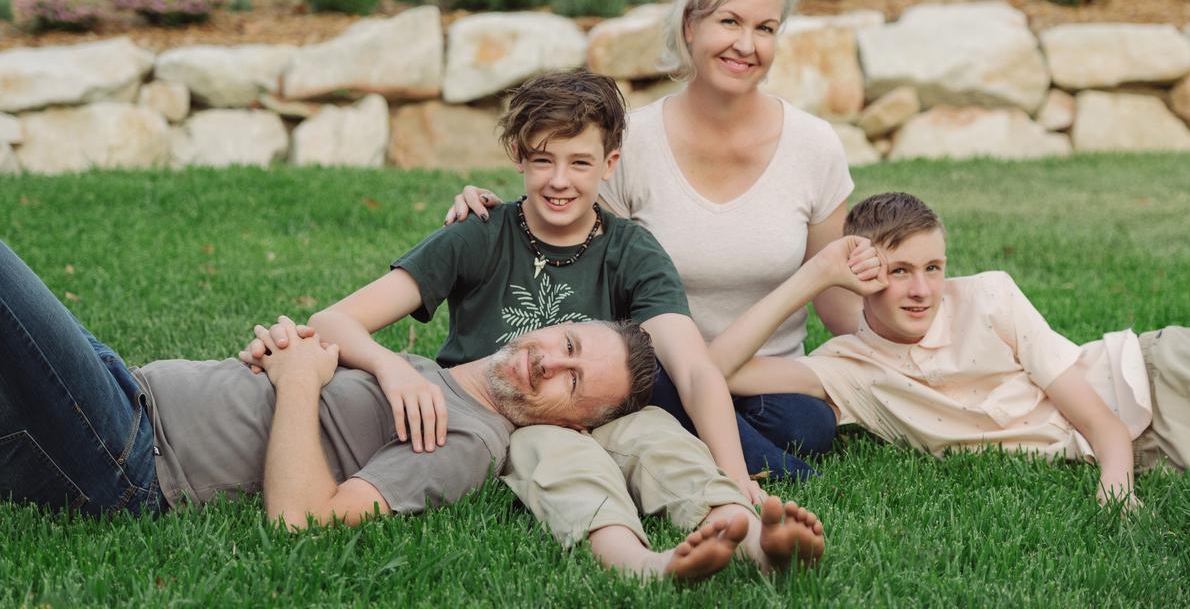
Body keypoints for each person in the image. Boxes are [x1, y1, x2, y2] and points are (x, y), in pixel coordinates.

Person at [245, 69, 833, 579]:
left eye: (580, 163)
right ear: (518, 157)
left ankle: (744, 532)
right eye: (542, 159)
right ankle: (642, 565)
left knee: (654, 429)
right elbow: (332, 318)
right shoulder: (478, 232)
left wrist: (739, 480)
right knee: (561, 459)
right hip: (494, 415)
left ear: (610, 163)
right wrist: (392, 369)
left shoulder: (632, 250)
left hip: (585, 408)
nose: (560, 181)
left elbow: (694, 369)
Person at [446, 0, 862, 479]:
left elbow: (834, 303)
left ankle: (694, 437)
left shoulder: (815, 145)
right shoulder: (632, 142)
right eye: (729, 21)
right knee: (664, 393)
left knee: (810, 424)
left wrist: (908, 336)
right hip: (653, 371)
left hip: (759, 377)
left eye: (765, 28)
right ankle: (766, 468)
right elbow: (564, 235)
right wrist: (495, 213)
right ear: (690, 25)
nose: (746, 44)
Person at [0, 240, 654, 530]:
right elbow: (321, 338)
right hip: (126, 391)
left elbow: (300, 520)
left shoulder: (469, 441)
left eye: (572, 383)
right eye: (567, 345)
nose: (550, 364)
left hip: (134, 455)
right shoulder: (423, 375)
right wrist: (299, 354)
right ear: (556, 323)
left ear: (569, 425)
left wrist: (297, 382)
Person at [711, 192, 1190, 506]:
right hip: (1162, 446)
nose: (921, 290)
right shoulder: (846, 371)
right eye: (899, 271)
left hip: (1163, 369)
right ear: (860, 277)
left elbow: (1097, 419)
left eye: (933, 268)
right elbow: (712, 371)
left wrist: (1116, 486)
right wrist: (813, 276)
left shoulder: (989, 297)